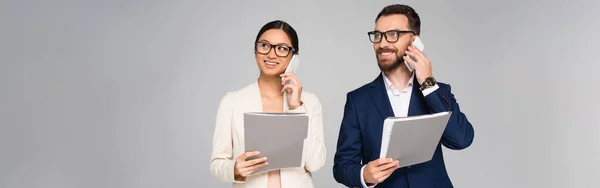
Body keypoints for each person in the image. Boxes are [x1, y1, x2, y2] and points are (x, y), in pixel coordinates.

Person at [332, 4, 475, 188]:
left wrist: (428, 84)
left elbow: (461, 139)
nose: (383, 43)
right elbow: (342, 166)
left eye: (393, 35)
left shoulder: (437, 92)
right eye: (378, 36)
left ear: (414, 41)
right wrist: (364, 174)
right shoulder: (358, 101)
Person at [210, 20, 326, 188]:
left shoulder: (310, 102)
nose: (271, 54)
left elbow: (315, 163)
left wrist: (296, 108)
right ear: (255, 50)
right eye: (265, 46)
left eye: (281, 48)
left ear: (294, 57)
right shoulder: (232, 102)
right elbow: (217, 164)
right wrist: (235, 168)